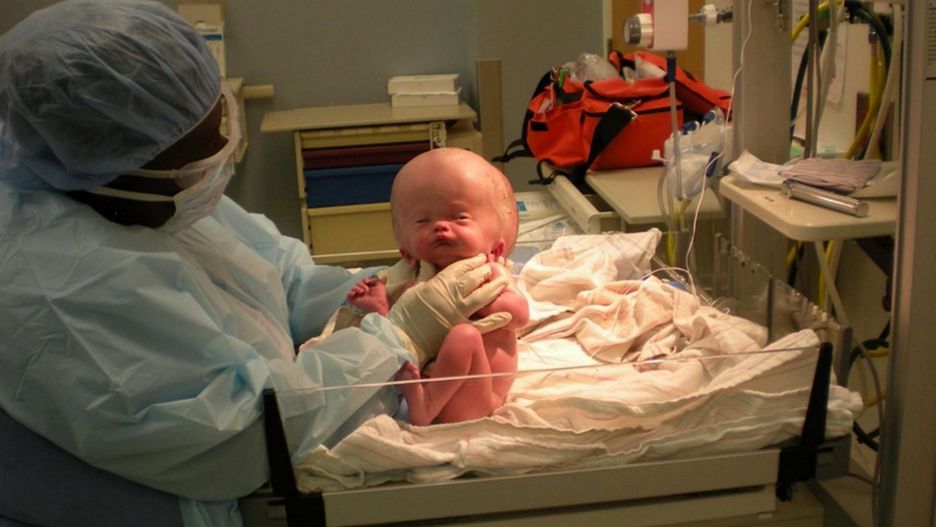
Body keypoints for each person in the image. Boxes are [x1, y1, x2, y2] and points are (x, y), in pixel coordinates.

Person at [0, 2, 511, 526]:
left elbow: (279, 278)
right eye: (199, 144)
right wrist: (396, 337)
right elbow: (241, 438)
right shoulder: (59, 287)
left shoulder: (146, 193)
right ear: (114, 154)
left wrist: (387, 288)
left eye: (217, 118)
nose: (221, 146)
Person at [345, 148, 529, 425]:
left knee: (464, 335)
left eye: (460, 218)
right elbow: (403, 334)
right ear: (406, 251)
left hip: (477, 397)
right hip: (416, 384)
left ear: (496, 248)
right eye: (423, 221)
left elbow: (520, 316)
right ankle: (424, 399)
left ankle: (426, 408)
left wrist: (480, 303)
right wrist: (382, 308)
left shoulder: (489, 273)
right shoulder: (412, 279)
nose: (441, 226)